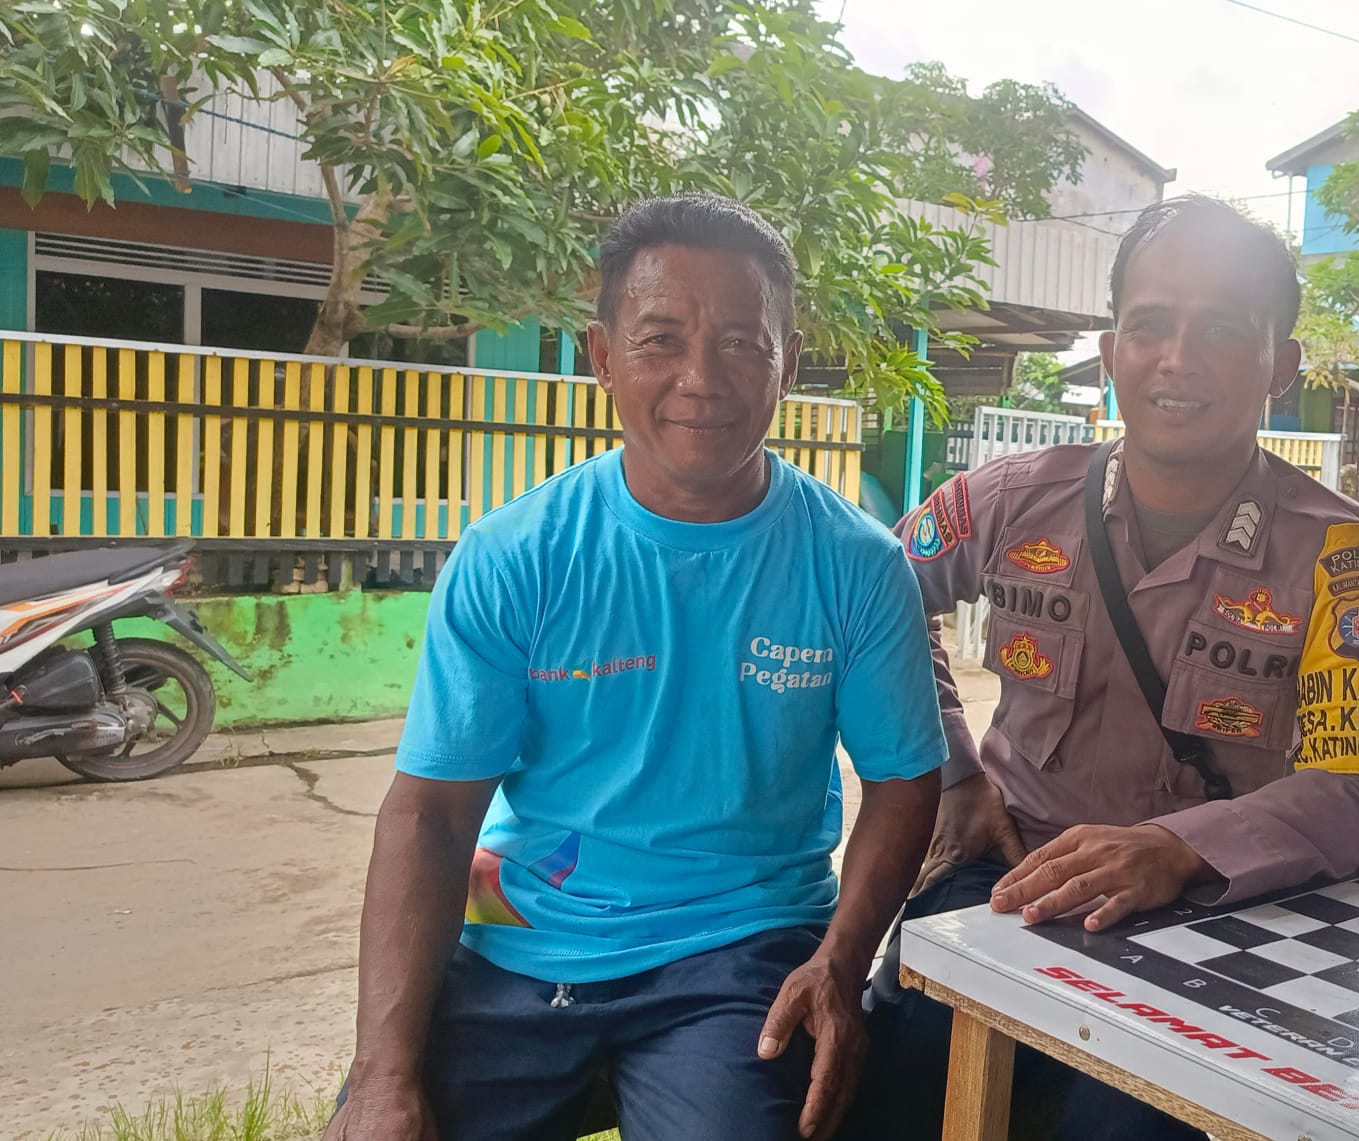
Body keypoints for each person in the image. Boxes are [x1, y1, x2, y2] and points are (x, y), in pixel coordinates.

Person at [324, 193, 945, 1141]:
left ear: (787, 361)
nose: (702, 379)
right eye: (660, 339)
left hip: (741, 944)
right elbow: (431, 813)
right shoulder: (515, 554)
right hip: (524, 936)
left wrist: (838, 961)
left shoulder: (857, 564)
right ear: (602, 356)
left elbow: (903, 782)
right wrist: (380, 1072)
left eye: (741, 342)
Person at [842, 195, 1359, 1141]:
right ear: (1111, 353)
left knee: (1123, 1124)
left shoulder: (1346, 556)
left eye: (1221, 329)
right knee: (885, 1094)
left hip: (1222, 908)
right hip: (1013, 873)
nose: (1176, 359)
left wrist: (1177, 847)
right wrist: (951, 767)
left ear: (1280, 364)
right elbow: (873, 603)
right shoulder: (1006, 500)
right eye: (1149, 325)